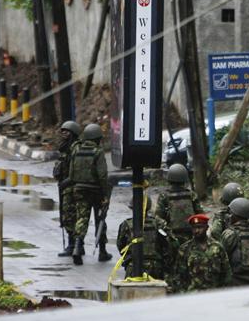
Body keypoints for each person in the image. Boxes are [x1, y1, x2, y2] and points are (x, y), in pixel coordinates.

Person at [68, 123, 113, 265]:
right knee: (100, 220)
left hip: (80, 190)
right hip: (96, 191)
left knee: (81, 219)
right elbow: (103, 176)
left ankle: (77, 248)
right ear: (97, 139)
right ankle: (102, 251)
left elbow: (71, 173)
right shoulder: (98, 152)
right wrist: (106, 195)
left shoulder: (76, 150)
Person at [116, 200, 173, 284]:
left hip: (133, 267)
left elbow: (121, 246)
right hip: (155, 267)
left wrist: (128, 259)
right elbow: (170, 245)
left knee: (132, 290)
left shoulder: (126, 224)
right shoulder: (159, 223)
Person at [176, 214, 232, 292]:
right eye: (194, 228)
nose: (196, 231)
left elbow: (226, 271)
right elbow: (179, 275)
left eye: (200, 227)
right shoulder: (185, 248)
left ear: (207, 227)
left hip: (214, 293)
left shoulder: (217, 247)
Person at [155, 164, 202, 245]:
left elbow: (158, 217)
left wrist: (166, 229)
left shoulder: (164, 196)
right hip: (190, 235)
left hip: (172, 237)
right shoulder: (191, 194)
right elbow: (200, 214)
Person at [53, 120, 81, 257]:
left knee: (70, 217)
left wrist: (66, 182)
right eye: (62, 131)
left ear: (73, 133)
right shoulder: (64, 148)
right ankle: (75, 245)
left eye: (66, 131)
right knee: (66, 216)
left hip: (72, 187)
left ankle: (73, 245)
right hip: (65, 186)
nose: (63, 133)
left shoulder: (75, 149)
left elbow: (76, 170)